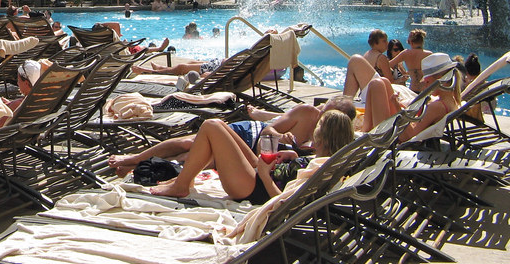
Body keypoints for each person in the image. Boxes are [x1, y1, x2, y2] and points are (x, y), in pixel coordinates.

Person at [108, 96, 356, 176]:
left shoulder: (325, 142)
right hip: (252, 134)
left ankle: (138, 168)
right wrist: (282, 138)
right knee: (189, 143)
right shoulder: (307, 113)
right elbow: (269, 128)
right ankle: (133, 158)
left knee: (195, 157)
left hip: (254, 157)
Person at [148, 110, 355, 202]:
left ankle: (182, 185)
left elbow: (285, 202)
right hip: (259, 175)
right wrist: (293, 156)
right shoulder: (326, 162)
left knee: (211, 126)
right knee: (219, 125)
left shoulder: (320, 167)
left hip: (255, 187)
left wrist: (265, 175)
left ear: (321, 139)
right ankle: (186, 179)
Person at [361, 52, 462, 141]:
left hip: (393, 137)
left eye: (427, 81)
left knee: (377, 84)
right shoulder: (451, 100)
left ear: (440, 80)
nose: (425, 85)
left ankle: (364, 132)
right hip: (400, 128)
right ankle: (365, 130)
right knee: (384, 82)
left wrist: (397, 107)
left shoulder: (437, 107)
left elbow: (409, 136)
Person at [341, 29, 394, 96]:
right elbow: (390, 81)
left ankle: (346, 99)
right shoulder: (381, 58)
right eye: (384, 41)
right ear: (375, 43)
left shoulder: (366, 55)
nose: (387, 43)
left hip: (365, 92)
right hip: (378, 93)